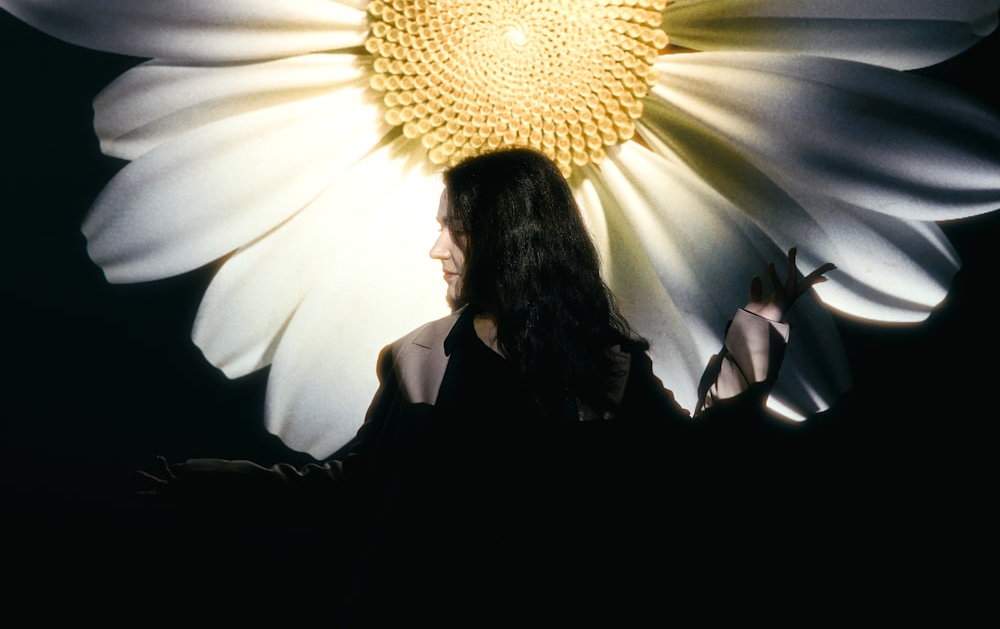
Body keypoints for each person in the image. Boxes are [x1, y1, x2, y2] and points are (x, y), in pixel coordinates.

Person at [135, 146, 833, 621]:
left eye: (457, 231)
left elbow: (687, 477)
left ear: (507, 241)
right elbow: (349, 489)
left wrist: (753, 337)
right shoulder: (419, 360)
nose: (436, 249)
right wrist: (217, 478)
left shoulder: (608, 367)